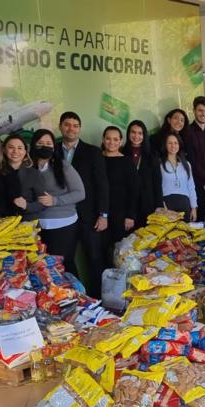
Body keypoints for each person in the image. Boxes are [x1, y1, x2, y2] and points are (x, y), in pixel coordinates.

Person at [56, 112, 109, 296]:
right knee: (65, 259)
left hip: (90, 215)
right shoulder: (53, 150)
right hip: (62, 216)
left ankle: (99, 299)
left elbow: (102, 184)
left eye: (75, 125)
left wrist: (103, 214)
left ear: (79, 128)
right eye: (67, 124)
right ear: (60, 126)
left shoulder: (92, 151)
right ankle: (76, 298)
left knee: (94, 258)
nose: (71, 128)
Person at [30, 129, 85, 276]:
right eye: (40, 143)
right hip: (37, 228)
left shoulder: (62, 166)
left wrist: (55, 200)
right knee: (43, 270)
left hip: (63, 225)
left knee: (63, 267)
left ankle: (79, 297)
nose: (45, 146)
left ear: (54, 147)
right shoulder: (28, 167)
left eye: (48, 143)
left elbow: (80, 193)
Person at [102, 126, 139, 259]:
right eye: (108, 139)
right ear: (103, 139)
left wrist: (130, 215)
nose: (111, 142)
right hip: (100, 214)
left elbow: (134, 190)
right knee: (102, 251)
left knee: (119, 253)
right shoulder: (97, 159)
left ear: (121, 141)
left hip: (121, 214)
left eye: (115, 139)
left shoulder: (127, 162)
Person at [126, 120, 161, 226]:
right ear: (128, 134)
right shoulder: (122, 153)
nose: (136, 136)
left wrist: (159, 206)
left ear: (144, 135)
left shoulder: (152, 155)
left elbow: (157, 182)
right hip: (126, 205)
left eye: (140, 133)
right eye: (133, 132)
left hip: (148, 204)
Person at [6, 134, 46, 222]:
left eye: (20, 148)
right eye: (11, 147)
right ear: (4, 150)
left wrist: (26, 205)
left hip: (27, 224)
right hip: (0, 226)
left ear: (25, 152)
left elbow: (43, 203)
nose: (15, 151)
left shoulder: (34, 174)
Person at [160, 133, 197, 222]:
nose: (173, 146)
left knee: (185, 234)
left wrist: (194, 208)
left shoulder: (186, 164)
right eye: (170, 143)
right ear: (165, 145)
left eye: (176, 143)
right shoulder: (160, 164)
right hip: (167, 204)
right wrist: (162, 205)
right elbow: (158, 187)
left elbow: (191, 187)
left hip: (184, 203)